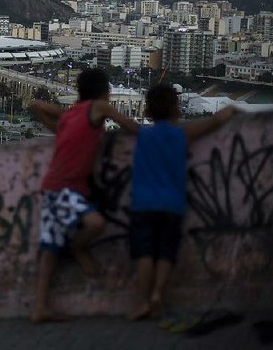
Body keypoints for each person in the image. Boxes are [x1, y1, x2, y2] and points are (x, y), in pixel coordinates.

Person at [29, 68, 139, 323]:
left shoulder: (72, 116)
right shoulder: (98, 108)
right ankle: (78, 248)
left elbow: (37, 106)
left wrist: (56, 112)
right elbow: (130, 127)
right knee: (95, 223)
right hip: (65, 188)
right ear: (104, 92)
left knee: (49, 250)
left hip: (53, 186)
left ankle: (40, 306)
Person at [126, 84, 237, 321]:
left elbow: (118, 120)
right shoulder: (182, 135)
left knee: (145, 254)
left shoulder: (142, 134)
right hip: (172, 204)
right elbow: (218, 120)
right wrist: (235, 110)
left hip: (143, 203)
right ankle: (158, 295)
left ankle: (144, 301)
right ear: (176, 109)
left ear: (148, 111)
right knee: (166, 253)